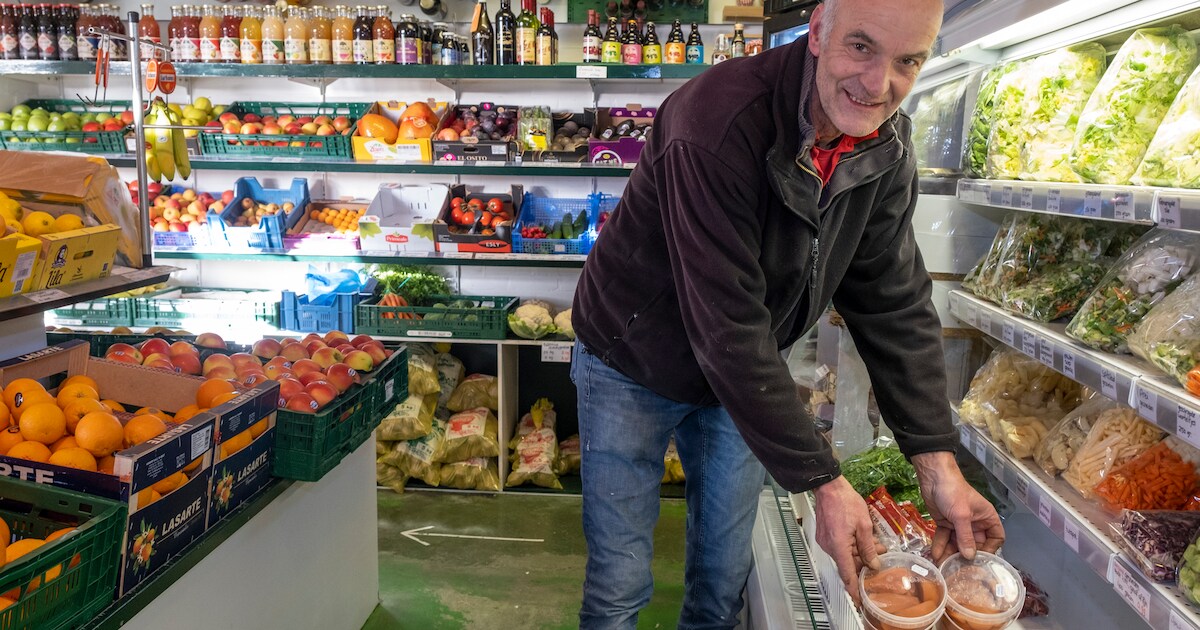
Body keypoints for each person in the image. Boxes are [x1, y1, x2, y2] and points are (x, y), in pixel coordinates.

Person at [569, 0, 1005, 627]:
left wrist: (936, 461)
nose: (879, 85)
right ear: (820, 30)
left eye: (908, 61)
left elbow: (891, 298)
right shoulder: (715, 123)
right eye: (861, 47)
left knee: (722, 578)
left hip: (743, 371)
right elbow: (726, 326)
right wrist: (824, 482)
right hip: (633, 359)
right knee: (620, 582)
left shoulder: (882, 143)